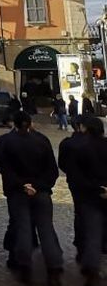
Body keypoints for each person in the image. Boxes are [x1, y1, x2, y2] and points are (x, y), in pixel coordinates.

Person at [0, 111, 64, 286]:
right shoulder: (42, 140)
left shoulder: (6, 142)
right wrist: (39, 186)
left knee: (23, 228)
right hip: (41, 192)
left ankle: (24, 266)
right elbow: (52, 170)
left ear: (13, 123)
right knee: (46, 229)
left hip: (18, 192)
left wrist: (22, 185)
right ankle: (54, 269)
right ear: (30, 123)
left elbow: (3, 167)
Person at [66, 115, 107, 286]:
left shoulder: (80, 148)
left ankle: (91, 271)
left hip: (90, 196)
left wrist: (97, 188)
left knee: (93, 233)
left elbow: (76, 176)